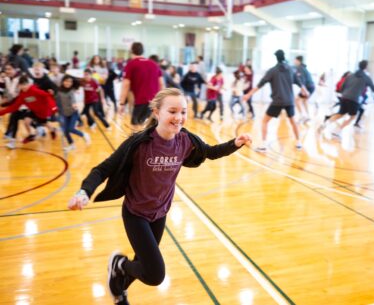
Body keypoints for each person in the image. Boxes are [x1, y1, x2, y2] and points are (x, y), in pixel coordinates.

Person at [67, 88, 252, 305]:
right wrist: (84, 192)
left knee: (144, 264)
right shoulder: (140, 143)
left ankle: (119, 290)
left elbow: (209, 152)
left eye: (183, 111)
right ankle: (119, 264)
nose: (179, 117)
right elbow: (103, 169)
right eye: (172, 111)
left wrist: (235, 143)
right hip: (136, 214)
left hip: (160, 212)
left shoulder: (186, 141)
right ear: (157, 112)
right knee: (155, 274)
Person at [243, 49, 305, 151]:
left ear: (276, 58)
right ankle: (298, 143)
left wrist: (249, 94)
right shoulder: (290, 69)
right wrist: (304, 90)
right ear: (284, 57)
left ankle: (263, 144)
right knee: (293, 121)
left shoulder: (272, 70)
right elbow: (298, 81)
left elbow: (260, 84)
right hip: (289, 100)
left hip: (278, 101)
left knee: (265, 121)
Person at [319, 60, 374, 139]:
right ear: (366, 67)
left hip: (344, 97)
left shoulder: (350, 75)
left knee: (341, 113)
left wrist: (344, 93)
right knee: (353, 116)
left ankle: (325, 124)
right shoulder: (366, 77)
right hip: (354, 99)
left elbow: (343, 86)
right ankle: (337, 131)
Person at [0, 75, 58, 148]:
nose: (23, 87)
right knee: (26, 121)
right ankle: (31, 135)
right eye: (21, 85)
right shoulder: (22, 95)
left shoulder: (35, 90)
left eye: (25, 85)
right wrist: (1, 112)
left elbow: (47, 96)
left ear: (28, 84)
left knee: (44, 123)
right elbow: (14, 107)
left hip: (43, 111)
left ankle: (53, 130)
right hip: (34, 110)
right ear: (19, 86)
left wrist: (53, 106)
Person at [119, 42, 164, 130]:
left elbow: (126, 85)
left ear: (131, 51)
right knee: (152, 129)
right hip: (155, 102)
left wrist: (122, 103)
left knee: (136, 129)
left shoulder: (131, 64)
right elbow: (161, 84)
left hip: (142, 101)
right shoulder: (153, 64)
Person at [55, 75, 91, 151]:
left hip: (73, 113)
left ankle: (84, 135)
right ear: (63, 81)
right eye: (66, 81)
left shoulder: (71, 91)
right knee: (65, 131)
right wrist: (57, 111)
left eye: (70, 82)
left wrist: (74, 105)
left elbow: (73, 100)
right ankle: (71, 145)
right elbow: (57, 101)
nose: (68, 83)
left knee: (71, 128)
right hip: (64, 113)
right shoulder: (59, 91)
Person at [293, 55, 315, 123]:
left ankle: (302, 116)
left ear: (298, 61)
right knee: (304, 101)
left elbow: (302, 80)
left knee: (296, 100)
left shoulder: (300, 68)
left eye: (295, 60)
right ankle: (308, 116)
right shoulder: (303, 67)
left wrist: (303, 90)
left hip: (308, 87)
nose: (294, 61)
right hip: (312, 86)